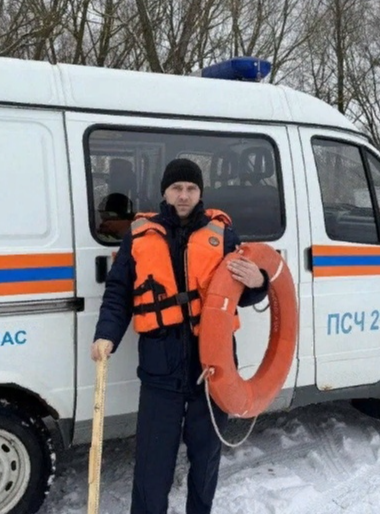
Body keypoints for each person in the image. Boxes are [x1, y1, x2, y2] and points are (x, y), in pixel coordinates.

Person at [91, 158, 268, 514]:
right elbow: (119, 291)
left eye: (190, 188)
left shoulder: (223, 236)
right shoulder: (139, 236)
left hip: (212, 368)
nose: (183, 195)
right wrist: (106, 334)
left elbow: (241, 291)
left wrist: (259, 283)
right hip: (160, 367)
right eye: (177, 188)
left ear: (199, 192)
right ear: (165, 192)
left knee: (205, 459)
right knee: (153, 461)